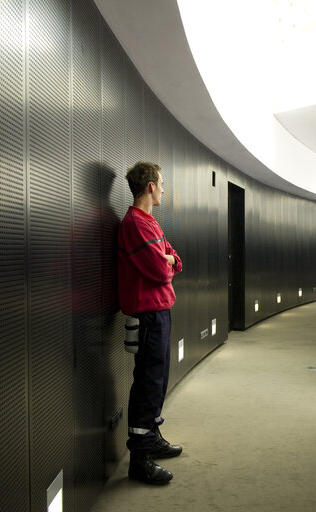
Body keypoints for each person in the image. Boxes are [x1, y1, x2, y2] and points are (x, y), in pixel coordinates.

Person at [117, 161, 183, 484]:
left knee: (158, 379)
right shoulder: (136, 224)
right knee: (146, 382)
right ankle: (139, 458)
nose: (164, 190)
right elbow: (161, 269)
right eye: (162, 184)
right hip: (147, 315)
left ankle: (152, 438)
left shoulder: (150, 223)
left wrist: (168, 259)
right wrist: (167, 260)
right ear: (151, 188)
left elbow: (173, 258)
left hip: (159, 312)